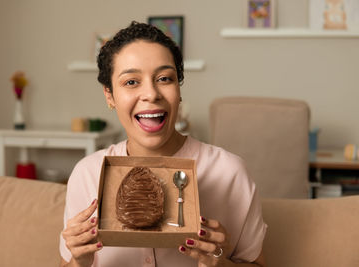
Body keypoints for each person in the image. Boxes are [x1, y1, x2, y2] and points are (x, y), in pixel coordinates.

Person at [60, 21, 267, 267]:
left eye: (164, 78)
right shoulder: (87, 174)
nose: (151, 94)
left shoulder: (230, 172)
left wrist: (219, 264)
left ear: (178, 90)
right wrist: (78, 261)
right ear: (109, 95)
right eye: (131, 82)